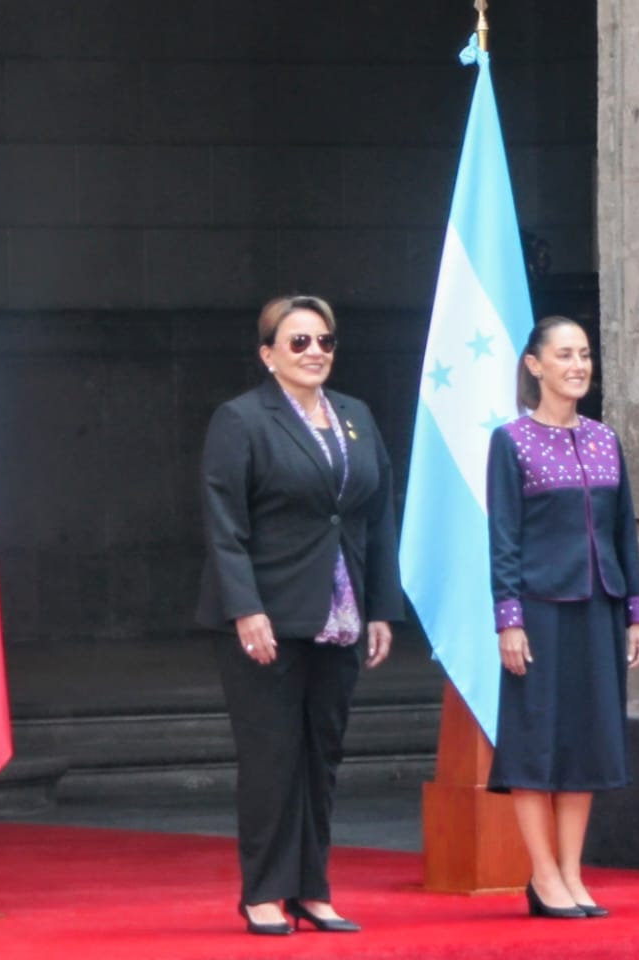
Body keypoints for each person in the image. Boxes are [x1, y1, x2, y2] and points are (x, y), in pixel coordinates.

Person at [196, 294, 403, 936]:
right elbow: (225, 525)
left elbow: (376, 517)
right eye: (299, 342)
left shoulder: (355, 415)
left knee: (322, 755)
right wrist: (245, 608)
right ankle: (264, 890)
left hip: (340, 614)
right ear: (268, 354)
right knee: (271, 758)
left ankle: (312, 889)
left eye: (325, 341)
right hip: (269, 615)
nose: (315, 352)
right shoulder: (241, 419)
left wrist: (380, 608)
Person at [485, 314, 639, 920]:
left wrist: (637, 611)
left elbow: (623, 531)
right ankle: (543, 874)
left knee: (585, 741)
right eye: (564, 355)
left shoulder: (606, 439)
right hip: (539, 611)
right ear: (535, 366)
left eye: (584, 354)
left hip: (599, 608)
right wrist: (508, 619)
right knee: (536, 742)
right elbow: (503, 538)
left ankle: (573, 873)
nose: (578, 365)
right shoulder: (511, 441)